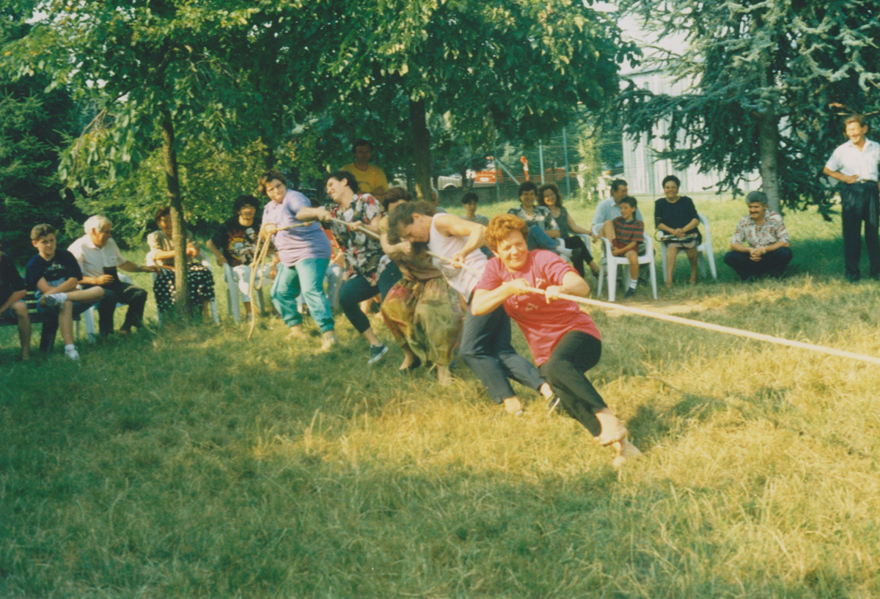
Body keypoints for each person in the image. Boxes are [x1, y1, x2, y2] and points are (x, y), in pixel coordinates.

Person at [472, 214, 642, 467]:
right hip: (544, 352)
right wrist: (506, 289)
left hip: (579, 335)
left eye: (518, 243)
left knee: (556, 367)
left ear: (526, 242)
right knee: (565, 398)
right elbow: (478, 307)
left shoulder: (543, 258)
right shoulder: (495, 270)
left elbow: (581, 286)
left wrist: (562, 289)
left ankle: (608, 418)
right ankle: (624, 448)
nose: (514, 251)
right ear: (495, 252)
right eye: (506, 247)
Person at [390, 200, 556, 415]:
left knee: (471, 350)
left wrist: (465, 252)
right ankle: (548, 390)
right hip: (479, 294)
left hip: (486, 286)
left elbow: (480, 230)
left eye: (410, 233)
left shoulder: (440, 222)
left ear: (416, 217)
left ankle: (510, 401)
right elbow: (455, 280)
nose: (412, 239)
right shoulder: (430, 242)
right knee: (500, 351)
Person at [380, 188, 463, 382]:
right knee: (391, 306)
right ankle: (411, 354)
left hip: (437, 276)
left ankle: (443, 367)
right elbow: (388, 248)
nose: (397, 215)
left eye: (401, 208)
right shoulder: (387, 225)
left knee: (429, 313)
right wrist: (400, 248)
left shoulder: (428, 219)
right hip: (412, 278)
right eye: (393, 212)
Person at [306, 170, 388, 364]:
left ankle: (416, 346)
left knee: (396, 307)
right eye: (326, 188)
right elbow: (302, 214)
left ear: (345, 182)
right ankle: (376, 345)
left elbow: (380, 229)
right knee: (346, 298)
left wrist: (363, 226)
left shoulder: (366, 200)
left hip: (381, 265)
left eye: (331, 184)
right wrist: (318, 212)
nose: (329, 189)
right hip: (358, 271)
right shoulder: (333, 213)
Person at [259, 170, 336, 348]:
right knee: (279, 293)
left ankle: (329, 334)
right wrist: (268, 227)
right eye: (271, 189)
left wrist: (316, 213)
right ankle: (297, 332)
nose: (276, 191)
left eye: (279, 186)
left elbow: (302, 212)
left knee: (310, 290)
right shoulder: (269, 208)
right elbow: (264, 231)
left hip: (311, 251)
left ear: (284, 185)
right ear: (266, 192)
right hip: (288, 256)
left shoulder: (294, 197)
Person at [68, 215, 157, 337]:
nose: (110, 235)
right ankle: (106, 334)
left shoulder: (110, 243)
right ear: (93, 231)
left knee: (139, 293)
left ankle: (126, 328)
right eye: (106, 232)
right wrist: (96, 281)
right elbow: (74, 278)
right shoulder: (78, 247)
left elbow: (122, 263)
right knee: (109, 296)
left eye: (110, 232)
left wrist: (143, 268)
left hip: (113, 283)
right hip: (91, 287)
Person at [26, 224, 104, 360]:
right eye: (44, 242)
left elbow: (73, 280)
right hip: (45, 303)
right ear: (35, 243)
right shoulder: (34, 263)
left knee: (99, 290)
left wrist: (63, 295)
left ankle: (63, 297)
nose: (49, 245)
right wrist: (64, 293)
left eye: (52, 240)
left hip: (67, 296)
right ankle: (70, 349)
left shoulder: (65, 256)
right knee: (66, 304)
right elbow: (45, 290)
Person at [822, 114, 880, 282]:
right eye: (849, 130)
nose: (852, 133)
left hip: (871, 190)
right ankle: (852, 273)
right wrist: (844, 178)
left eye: (855, 129)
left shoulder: (875, 147)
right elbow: (828, 169)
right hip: (852, 191)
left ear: (864, 129)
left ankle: (876, 272)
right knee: (851, 234)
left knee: (872, 232)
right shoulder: (842, 150)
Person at [146, 207, 216, 320]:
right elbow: (158, 255)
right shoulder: (155, 236)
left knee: (203, 273)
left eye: (172, 220)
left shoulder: (185, 233)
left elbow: (194, 249)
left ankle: (205, 313)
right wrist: (182, 250)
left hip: (187, 266)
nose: (169, 224)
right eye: (165, 221)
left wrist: (194, 249)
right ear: (159, 223)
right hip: (166, 268)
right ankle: (170, 318)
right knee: (166, 281)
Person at [207, 195, 269, 318]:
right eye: (245, 207)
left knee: (282, 268)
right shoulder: (229, 225)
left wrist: (272, 254)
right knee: (245, 272)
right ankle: (250, 312)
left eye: (252, 207)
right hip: (235, 268)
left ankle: (282, 308)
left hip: (257, 267)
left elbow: (271, 242)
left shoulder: (260, 223)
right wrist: (220, 256)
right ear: (238, 210)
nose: (249, 210)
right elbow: (210, 243)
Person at [723, 191, 792, 281]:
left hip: (769, 255)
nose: (752, 210)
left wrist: (764, 250)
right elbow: (734, 244)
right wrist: (749, 250)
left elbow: (785, 242)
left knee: (785, 252)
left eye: (756, 207)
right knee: (729, 256)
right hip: (752, 256)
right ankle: (748, 276)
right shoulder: (744, 221)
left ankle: (773, 273)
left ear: (764, 206)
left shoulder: (775, 218)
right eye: (750, 207)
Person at [538, 182, 600, 277]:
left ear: (556, 194)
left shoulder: (562, 210)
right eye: (546, 196)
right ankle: (593, 267)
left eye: (552, 194)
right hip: (555, 243)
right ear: (542, 199)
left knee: (577, 249)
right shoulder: (542, 212)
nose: (550, 197)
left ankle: (580, 280)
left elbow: (574, 227)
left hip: (567, 242)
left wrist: (590, 233)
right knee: (576, 241)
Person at [655, 175, 701, 286]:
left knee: (690, 246)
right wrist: (673, 231)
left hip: (689, 233)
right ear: (664, 189)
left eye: (673, 187)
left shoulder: (686, 201)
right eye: (667, 187)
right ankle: (669, 279)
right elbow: (658, 224)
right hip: (672, 236)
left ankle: (694, 274)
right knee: (672, 248)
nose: (670, 190)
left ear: (678, 188)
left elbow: (696, 219)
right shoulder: (659, 203)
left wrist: (683, 230)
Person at [600, 196, 644, 298]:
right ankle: (611, 271)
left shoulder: (638, 223)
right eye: (621, 208)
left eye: (625, 208)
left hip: (629, 248)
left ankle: (632, 285)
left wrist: (621, 250)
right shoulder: (617, 220)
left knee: (633, 257)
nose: (622, 210)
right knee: (607, 222)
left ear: (633, 209)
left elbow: (634, 243)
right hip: (617, 246)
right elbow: (606, 227)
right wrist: (599, 235)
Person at [0, 237, 30, 361]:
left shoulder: (6, 261)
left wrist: (1, 310)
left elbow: (21, 290)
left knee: (21, 307)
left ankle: (25, 355)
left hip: (5, 306)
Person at [508, 181, 560, 251]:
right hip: (526, 248)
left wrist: (538, 235)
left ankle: (559, 252)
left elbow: (557, 232)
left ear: (535, 196)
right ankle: (563, 250)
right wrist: (533, 233)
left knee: (535, 231)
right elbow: (510, 235)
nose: (529, 197)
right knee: (534, 229)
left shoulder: (544, 211)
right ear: (520, 196)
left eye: (532, 194)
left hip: (544, 247)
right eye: (526, 194)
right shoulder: (513, 213)